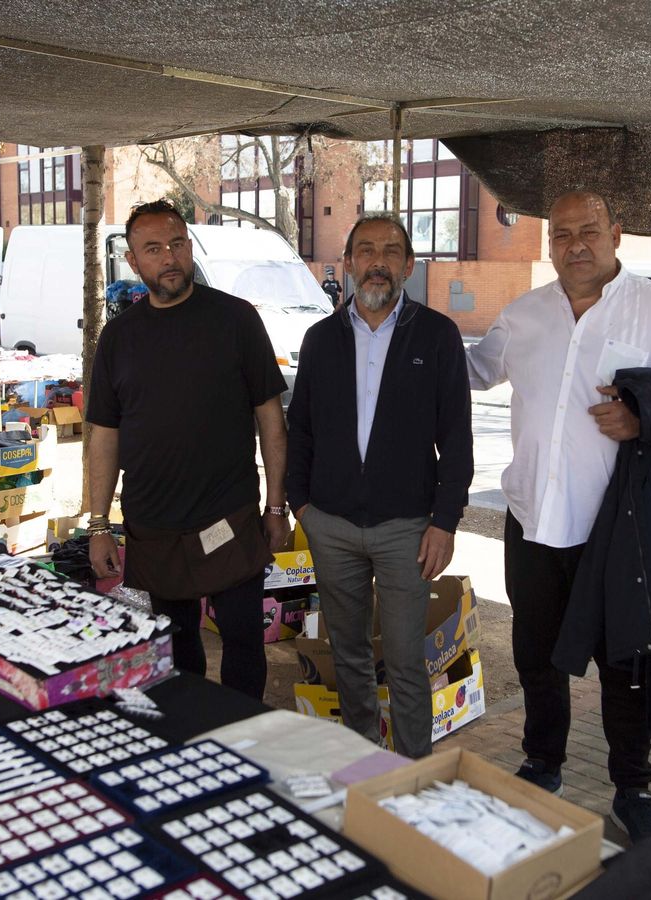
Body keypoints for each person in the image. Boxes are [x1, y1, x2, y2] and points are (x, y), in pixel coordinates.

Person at [467, 191, 651, 840]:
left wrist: (643, 416)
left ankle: (632, 788)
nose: (576, 244)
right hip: (532, 521)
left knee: (624, 665)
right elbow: (471, 371)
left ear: (617, 233)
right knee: (536, 656)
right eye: (562, 235)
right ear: (549, 244)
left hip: (617, 532)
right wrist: (400, 338)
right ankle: (541, 761)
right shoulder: (523, 315)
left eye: (589, 231)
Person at [86, 200, 290, 700]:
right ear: (133, 262)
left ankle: (243, 736)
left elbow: (271, 420)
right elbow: (104, 437)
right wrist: (96, 526)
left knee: (244, 639)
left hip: (229, 518)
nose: (169, 257)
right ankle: (194, 738)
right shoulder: (119, 337)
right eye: (153, 248)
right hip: (153, 524)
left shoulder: (236, 319)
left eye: (177, 244)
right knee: (176, 649)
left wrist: (277, 506)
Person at [286, 216, 473, 758]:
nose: (378, 260)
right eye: (365, 249)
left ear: (409, 265)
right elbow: (301, 429)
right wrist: (302, 505)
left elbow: (457, 440)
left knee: (406, 659)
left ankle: (415, 771)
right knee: (348, 653)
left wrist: (445, 522)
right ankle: (364, 757)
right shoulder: (321, 339)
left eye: (391, 251)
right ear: (347, 263)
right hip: (332, 525)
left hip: (407, 531)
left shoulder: (437, 336)